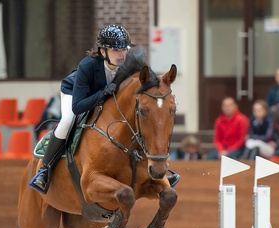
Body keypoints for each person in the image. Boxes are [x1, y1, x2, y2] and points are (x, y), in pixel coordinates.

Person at [29, 25, 180, 193]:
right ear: (103, 52)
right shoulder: (88, 66)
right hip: (76, 95)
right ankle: (45, 170)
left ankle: (157, 171)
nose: (121, 55)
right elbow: (78, 106)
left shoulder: (127, 65)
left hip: (104, 95)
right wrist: (101, 94)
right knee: (67, 120)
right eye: (115, 50)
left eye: (124, 49)